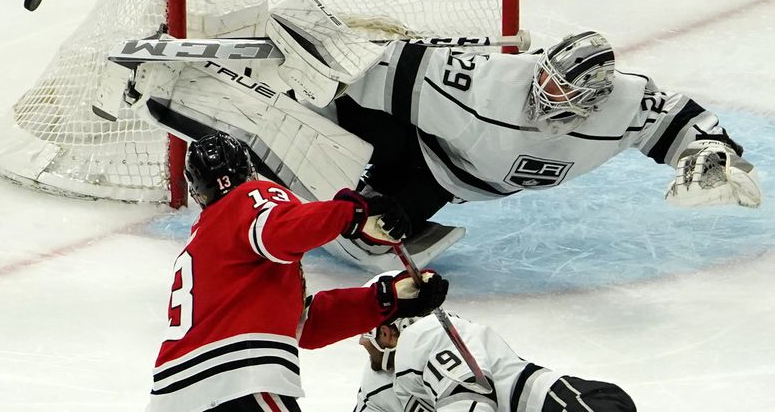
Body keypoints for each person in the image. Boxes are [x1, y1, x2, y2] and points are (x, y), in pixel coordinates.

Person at [335, 31, 762, 232]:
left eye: (560, 87)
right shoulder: (492, 82)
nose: (543, 90)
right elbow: (383, 66)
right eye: (545, 76)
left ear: (592, 97)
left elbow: (680, 121)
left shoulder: (623, 107)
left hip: (444, 180)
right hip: (414, 135)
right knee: (342, 103)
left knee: (373, 230)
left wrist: (716, 157)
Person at [147, 131, 449, 412]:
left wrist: (385, 299)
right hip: (234, 380)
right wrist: (352, 214)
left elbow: (304, 326)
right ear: (249, 173)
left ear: (197, 192)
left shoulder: (206, 245)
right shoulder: (250, 198)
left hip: (175, 397)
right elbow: (280, 231)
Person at [355, 314, 636, 412]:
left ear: (386, 331)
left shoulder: (428, 335)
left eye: (364, 332)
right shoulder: (376, 386)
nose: (361, 342)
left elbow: (472, 404)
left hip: (569, 406)